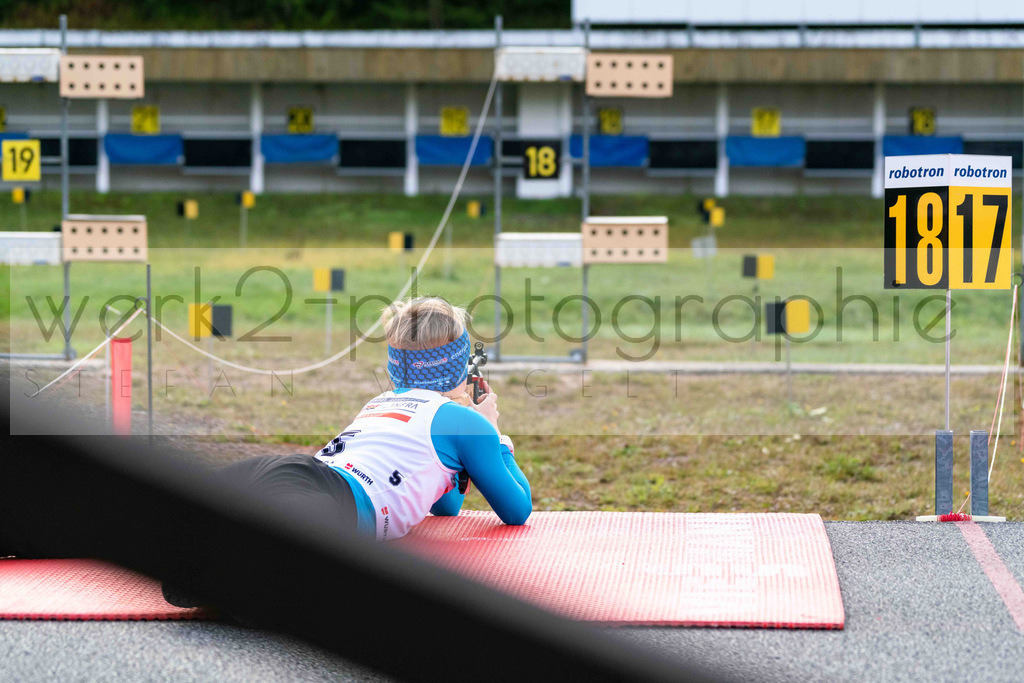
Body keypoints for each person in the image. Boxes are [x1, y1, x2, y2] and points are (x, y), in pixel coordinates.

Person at [224, 296, 532, 542]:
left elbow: (444, 505)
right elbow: (517, 510)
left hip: (292, 472)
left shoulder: (380, 402)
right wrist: (494, 434)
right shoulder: (467, 424)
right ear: (459, 364)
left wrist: (469, 443)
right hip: (335, 501)